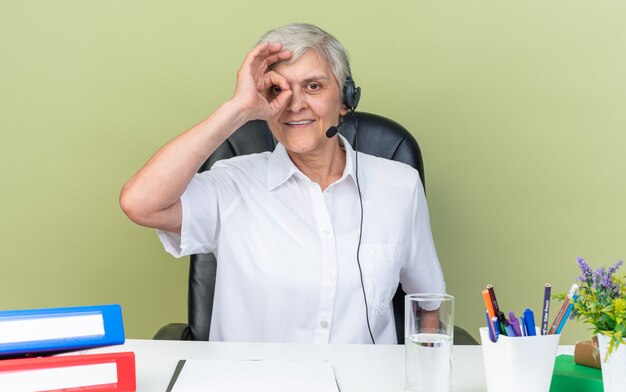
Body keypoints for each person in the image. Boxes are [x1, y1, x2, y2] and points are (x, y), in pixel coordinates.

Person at [120, 23, 445, 344]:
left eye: (313, 86)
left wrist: (425, 379)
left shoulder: (400, 186)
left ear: (346, 99)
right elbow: (140, 203)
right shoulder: (232, 183)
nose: (294, 103)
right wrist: (238, 109)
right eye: (278, 89)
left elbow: (429, 303)